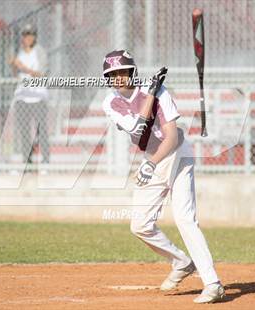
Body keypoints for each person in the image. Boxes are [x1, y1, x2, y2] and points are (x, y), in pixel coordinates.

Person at [101, 50, 225, 304]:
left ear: (132, 71)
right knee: (140, 225)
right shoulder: (111, 103)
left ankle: (212, 283)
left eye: (122, 71)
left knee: (184, 218)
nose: (118, 78)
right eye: (112, 74)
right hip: (152, 158)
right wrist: (151, 94)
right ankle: (181, 262)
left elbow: (171, 136)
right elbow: (139, 127)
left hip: (177, 154)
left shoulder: (159, 91)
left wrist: (155, 92)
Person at [9, 24, 49, 168]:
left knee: (41, 130)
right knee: (24, 131)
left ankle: (45, 161)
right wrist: (14, 66)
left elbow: (42, 74)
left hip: (38, 96)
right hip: (22, 96)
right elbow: (15, 75)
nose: (28, 38)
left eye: (31, 34)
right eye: (26, 35)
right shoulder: (19, 53)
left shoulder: (40, 52)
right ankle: (28, 162)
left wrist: (23, 68)